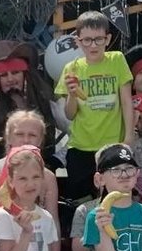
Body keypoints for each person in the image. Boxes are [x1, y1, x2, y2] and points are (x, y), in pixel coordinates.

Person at [55, 11, 135, 201]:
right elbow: (70, 114)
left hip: (112, 145)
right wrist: (72, 94)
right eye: (87, 40)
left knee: (114, 198)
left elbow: (126, 101)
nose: (93, 45)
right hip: (80, 147)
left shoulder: (117, 60)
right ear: (78, 41)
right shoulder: (71, 68)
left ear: (108, 39)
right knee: (82, 202)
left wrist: (129, 137)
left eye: (98, 39)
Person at [0, 39, 59, 158]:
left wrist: (59, 159)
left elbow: (74, 131)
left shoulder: (45, 102)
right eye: (4, 75)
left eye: (15, 72)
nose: (10, 79)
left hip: (41, 167)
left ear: (25, 75)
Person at [0, 109, 61, 228]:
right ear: (8, 138)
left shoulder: (48, 177)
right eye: (19, 134)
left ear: (40, 140)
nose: (26, 140)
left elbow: (53, 222)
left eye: (32, 135)